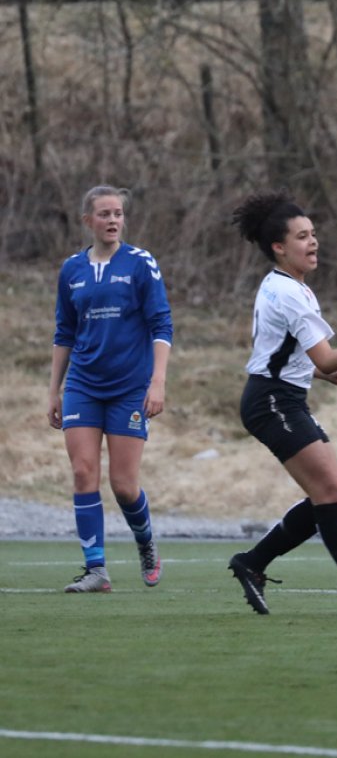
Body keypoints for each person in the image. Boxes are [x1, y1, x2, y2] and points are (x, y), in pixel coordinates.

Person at [228, 191, 337, 615]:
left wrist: (324, 374)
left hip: (279, 396)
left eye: (313, 233)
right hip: (272, 401)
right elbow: (326, 355)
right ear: (278, 247)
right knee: (330, 492)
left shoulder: (282, 285)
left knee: (331, 494)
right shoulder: (290, 294)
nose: (313, 241)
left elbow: (280, 353)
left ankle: (252, 563)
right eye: (302, 236)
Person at [49, 185, 172, 593]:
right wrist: (53, 391)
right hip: (82, 385)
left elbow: (161, 324)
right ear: (88, 220)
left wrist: (157, 381)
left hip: (129, 388)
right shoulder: (72, 269)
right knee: (83, 471)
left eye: (118, 213)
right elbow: (64, 332)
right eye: (104, 214)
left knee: (123, 485)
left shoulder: (140, 263)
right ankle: (96, 570)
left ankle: (146, 542)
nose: (113, 220)